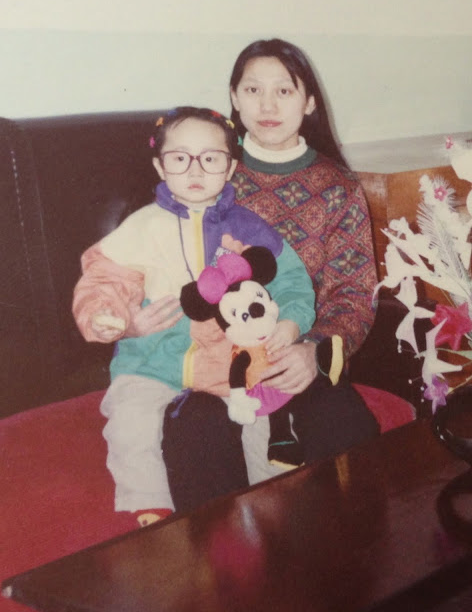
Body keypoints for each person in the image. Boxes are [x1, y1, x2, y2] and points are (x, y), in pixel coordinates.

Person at [161, 39, 380, 511]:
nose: (267, 105)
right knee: (195, 425)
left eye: (284, 91)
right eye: (253, 89)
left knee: (342, 423)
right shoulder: (207, 175)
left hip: (296, 354)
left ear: (309, 102)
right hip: (214, 360)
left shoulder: (337, 188)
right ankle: (218, 555)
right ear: (234, 98)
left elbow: (355, 295)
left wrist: (313, 351)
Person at [72, 106, 316, 525]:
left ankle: (274, 505)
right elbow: (104, 280)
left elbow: (293, 281)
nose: (195, 169)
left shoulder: (251, 228)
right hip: (152, 360)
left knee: (267, 420)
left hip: (234, 364)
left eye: (211, 158)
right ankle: (150, 507)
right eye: (180, 157)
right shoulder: (141, 227)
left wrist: (291, 323)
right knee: (130, 418)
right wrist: (111, 318)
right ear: (159, 166)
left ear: (230, 167)